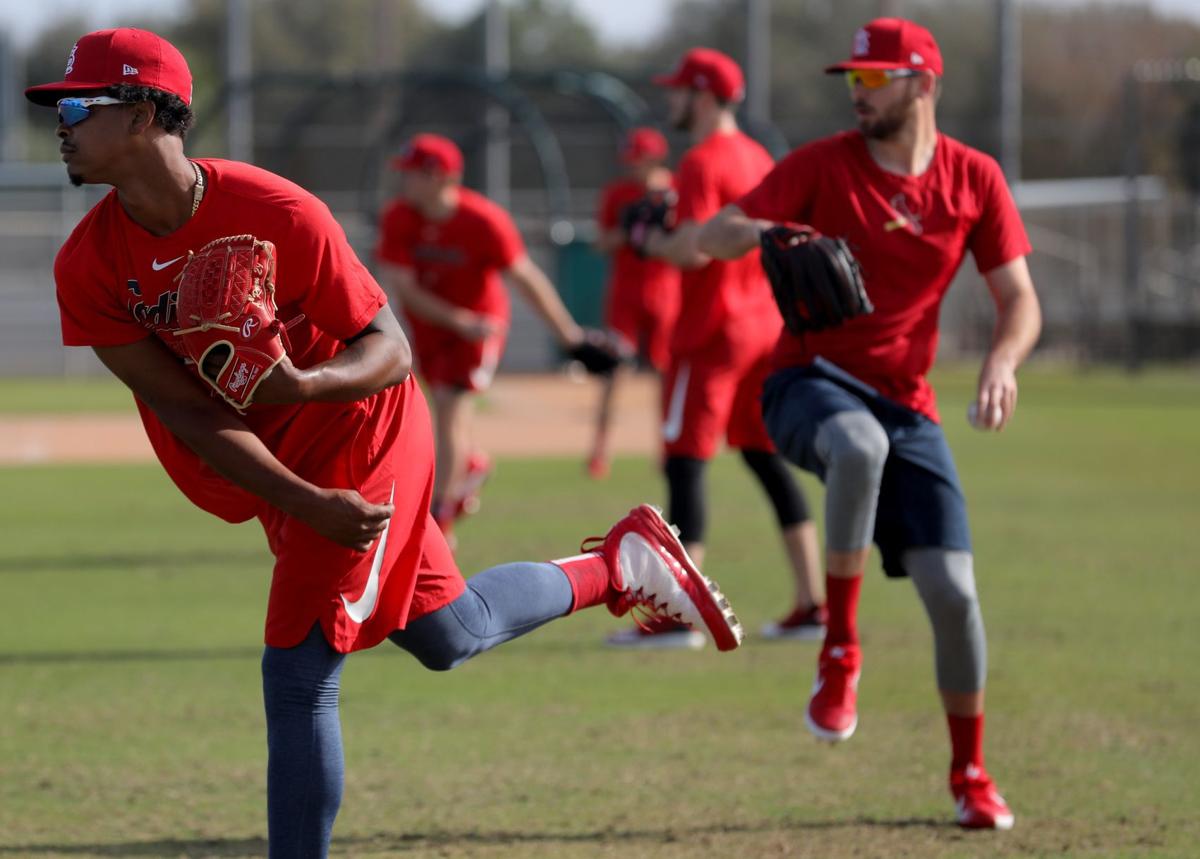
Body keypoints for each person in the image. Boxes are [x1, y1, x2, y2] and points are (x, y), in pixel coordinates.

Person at [28, 28, 743, 857]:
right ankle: (618, 564)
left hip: (365, 432)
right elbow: (190, 413)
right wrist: (299, 499)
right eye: (59, 107)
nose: (63, 121)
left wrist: (303, 387)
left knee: (297, 674)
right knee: (451, 632)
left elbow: (388, 347)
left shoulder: (277, 211)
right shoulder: (87, 265)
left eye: (81, 104)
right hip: (286, 468)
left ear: (150, 113)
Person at [698, 18, 1042, 829]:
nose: (857, 93)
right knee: (858, 443)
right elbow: (714, 235)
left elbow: (1019, 298)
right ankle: (840, 649)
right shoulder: (822, 164)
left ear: (923, 84)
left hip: (906, 398)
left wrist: (1002, 361)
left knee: (955, 595)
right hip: (805, 380)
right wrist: (758, 230)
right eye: (851, 80)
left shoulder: (973, 178)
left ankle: (970, 774)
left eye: (872, 79)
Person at [607, 47, 824, 649]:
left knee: (685, 463)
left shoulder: (702, 160)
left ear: (702, 96)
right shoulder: (757, 155)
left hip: (710, 331)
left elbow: (696, 248)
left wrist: (650, 242)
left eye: (679, 91)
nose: (671, 100)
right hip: (761, 327)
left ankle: (679, 617)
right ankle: (811, 602)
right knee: (763, 458)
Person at [374, 134, 590, 545]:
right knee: (441, 406)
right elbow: (404, 288)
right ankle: (470, 466)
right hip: (438, 326)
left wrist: (569, 335)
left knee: (452, 410)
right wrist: (456, 320)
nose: (404, 183)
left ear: (440, 177)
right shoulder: (399, 217)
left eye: (413, 175)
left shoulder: (483, 220)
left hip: (479, 328)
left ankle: (440, 520)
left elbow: (526, 278)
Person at [588, 126, 681, 480]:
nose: (632, 166)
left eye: (637, 159)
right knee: (615, 372)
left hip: (665, 292)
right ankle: (600, 450)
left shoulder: (674, 190)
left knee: (664, 375)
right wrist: (629, 232)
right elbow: (601, 242)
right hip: (626, 293)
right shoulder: (618, 193)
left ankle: (667, 450)